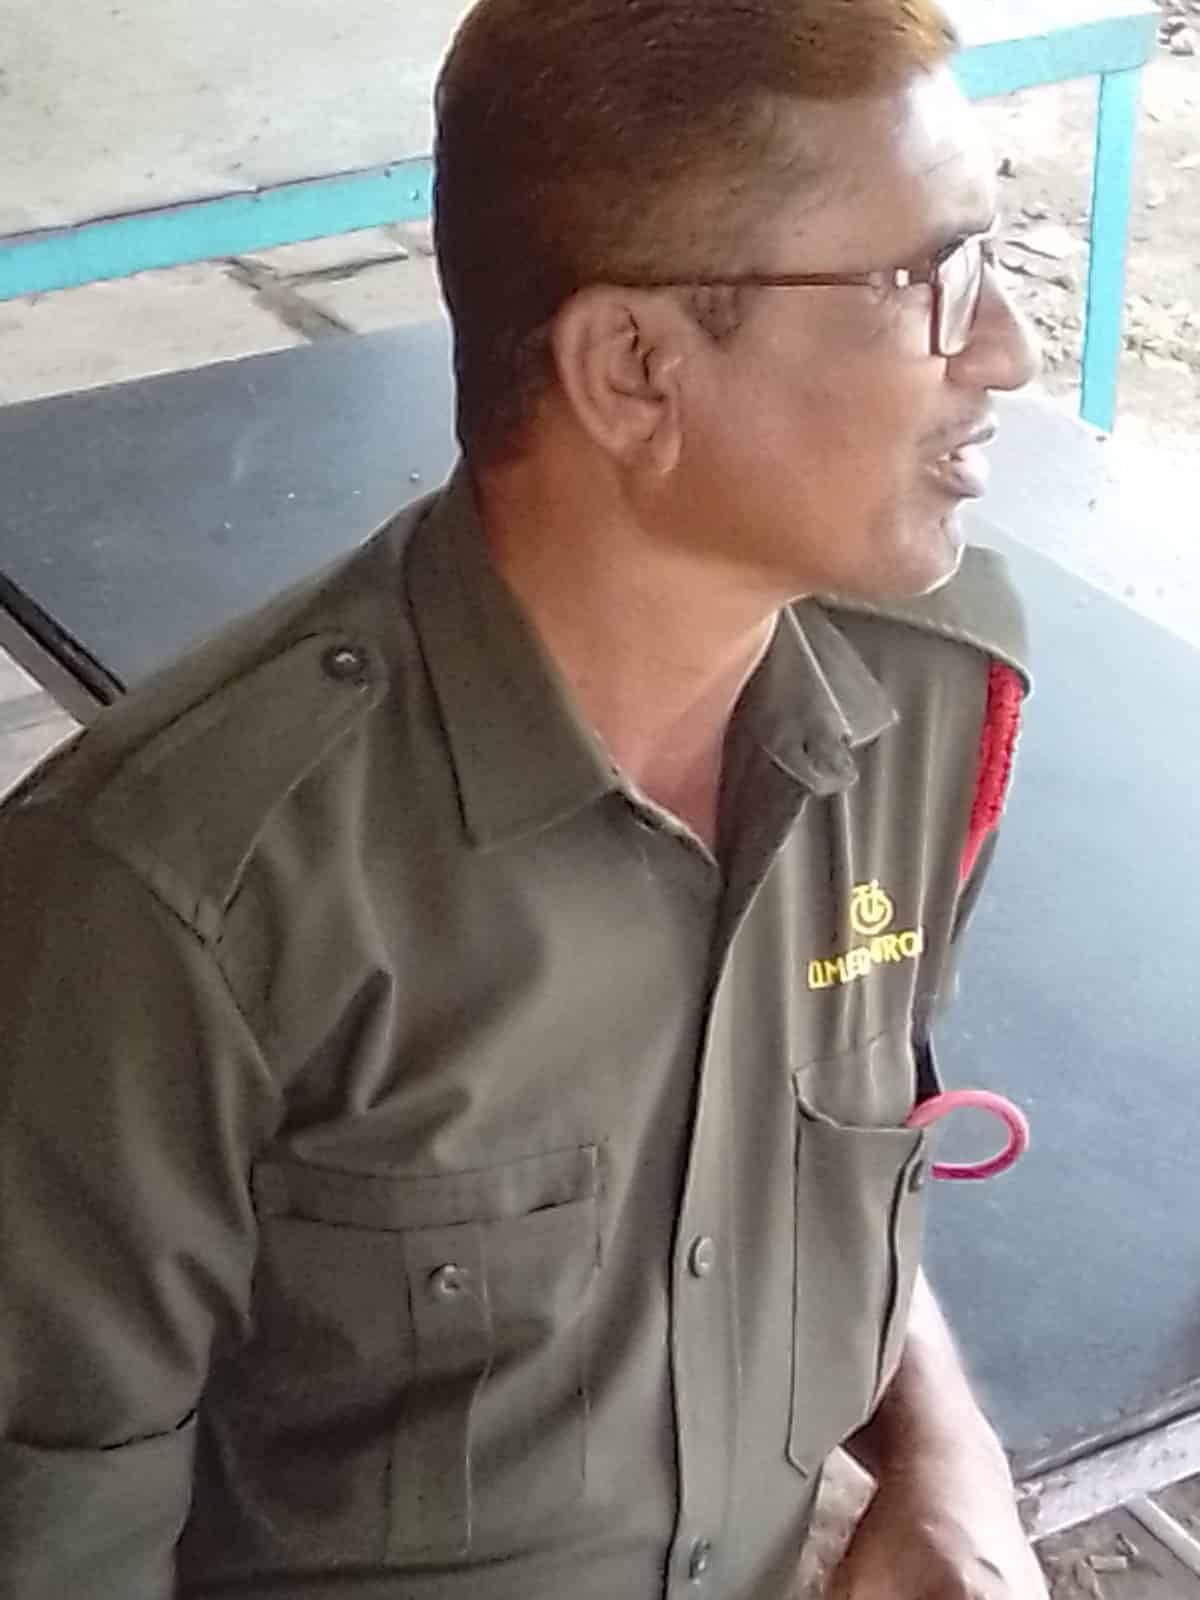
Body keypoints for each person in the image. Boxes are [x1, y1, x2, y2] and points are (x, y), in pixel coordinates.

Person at [0, 0, 1046, 1595]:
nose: (1008, 350)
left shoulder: (931, 695)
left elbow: (837, 1140)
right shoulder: (174, 900)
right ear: (634, 369)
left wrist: (944, 1452)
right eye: (931, 281)